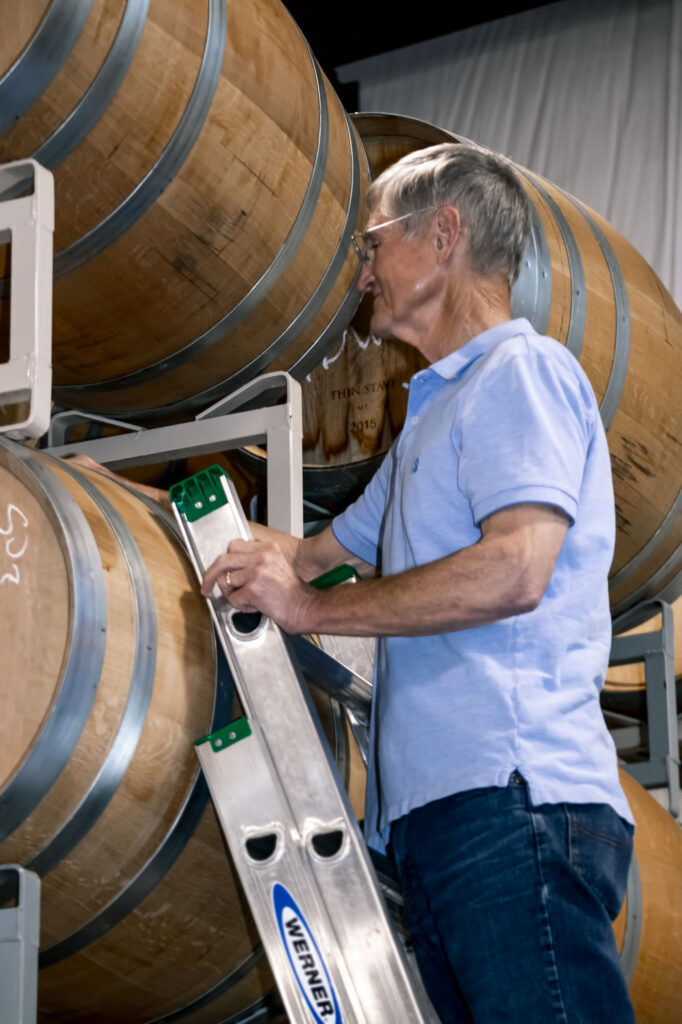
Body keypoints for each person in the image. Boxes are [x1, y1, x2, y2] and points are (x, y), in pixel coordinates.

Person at [201, 142, 635, 1023]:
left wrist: (313, 610)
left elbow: (515, 570)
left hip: (511, 799)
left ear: (445, 236)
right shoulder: (431, 417)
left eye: (373, 245)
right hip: (440, 820)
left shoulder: (521, 373)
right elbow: (313, 553)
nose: (363, 274)